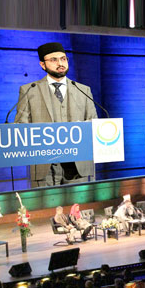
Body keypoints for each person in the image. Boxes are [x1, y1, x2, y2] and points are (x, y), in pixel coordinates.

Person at [15, 42, 97, 186]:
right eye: (54, 60)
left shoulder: (84, 90)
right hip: (44, 167)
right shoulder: (29, 90)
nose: (60, 63)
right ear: (42, 65)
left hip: (78, 167)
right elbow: (21, 127)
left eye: (63, 59)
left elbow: (93, 124)